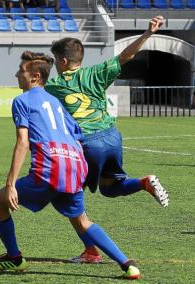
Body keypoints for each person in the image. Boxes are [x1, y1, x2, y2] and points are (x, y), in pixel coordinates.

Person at [0, 51, 141, 280]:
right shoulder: (56, 102)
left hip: (49, 168)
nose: (16, 75)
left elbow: (22, 142)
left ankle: (14, 258)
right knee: (82, 221)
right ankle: (127, 264)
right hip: (74, 165)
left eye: (21, 71)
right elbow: (77, 134)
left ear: (35, 77)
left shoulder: (21, 101)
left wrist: (10, 184)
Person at [44, 15, 169, 263]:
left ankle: (91, 251)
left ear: (64, 61)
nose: (56, 65)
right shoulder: (97, 72)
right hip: (112, 137)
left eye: (57, 60)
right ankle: (144, 182)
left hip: (88, 144)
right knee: (111, 189)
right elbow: (126, 56)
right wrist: (147, 33)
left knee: (71, 199)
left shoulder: (55, 85)